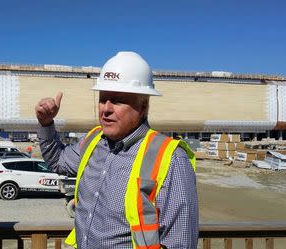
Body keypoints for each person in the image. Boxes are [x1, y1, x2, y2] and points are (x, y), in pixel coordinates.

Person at [35, 51, 198, 248]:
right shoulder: (93, 140)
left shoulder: (172, 159)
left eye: (118, 100)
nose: (106, 109)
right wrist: (46, 123)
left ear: (143, 107)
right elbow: (58, 161)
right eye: (103, 99)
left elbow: (180, 243)